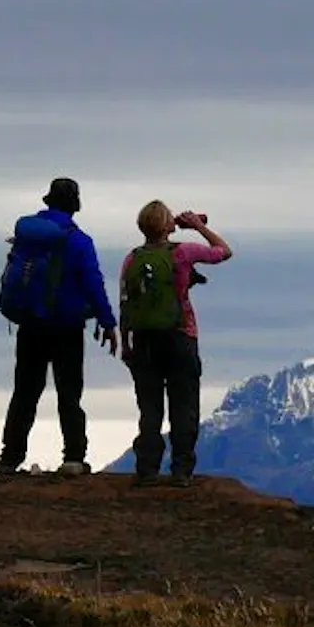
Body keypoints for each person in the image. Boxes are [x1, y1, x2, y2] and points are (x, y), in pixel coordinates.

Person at [0, 178, 116, 476]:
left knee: (25, 391)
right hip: (67, 327)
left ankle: (9, 458)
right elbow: (93, 283)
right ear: (75, 204)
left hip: (30, 324)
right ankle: (73, 457)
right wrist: (107, 322)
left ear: (48, 200)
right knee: (69, 393)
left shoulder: (27, 236)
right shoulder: (79, 241)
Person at [118, 201, 233, 487]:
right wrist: (198, 226)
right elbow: (224, 252)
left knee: (150, 406)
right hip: (180, 335)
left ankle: (147, 468)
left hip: (143, 339)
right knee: (184, 405)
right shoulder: (183, 252)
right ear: (168, 226)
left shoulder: (131, 259)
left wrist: (126, 343)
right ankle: (181, 470)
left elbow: (125, 303)